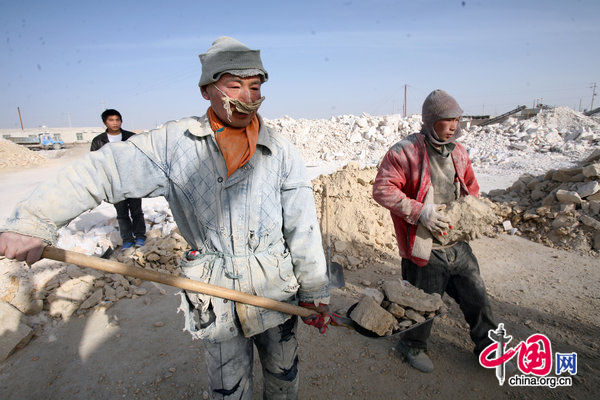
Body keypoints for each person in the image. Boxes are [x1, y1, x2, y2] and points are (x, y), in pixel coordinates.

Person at [0, 36, 333, 399]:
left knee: (284, 379)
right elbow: (102, 172)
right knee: (228, 389)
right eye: (234, 85)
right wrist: (31, 221)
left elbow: (302, 226)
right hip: (215, 291)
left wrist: (315, 291)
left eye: (255, 87)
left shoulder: (280, 151)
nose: (247, 97)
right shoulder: (174, 145)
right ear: (207, 90)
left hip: (275, 284)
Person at [372, 89, 510, 374]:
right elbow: (382, 189)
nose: (453, 126)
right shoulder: (405, 151)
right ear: (431, 120)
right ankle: (412, 346)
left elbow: (471, 187)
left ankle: (489, 347)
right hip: (424, 245)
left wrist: (471, 214)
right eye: (447, 120)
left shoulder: (458, 152)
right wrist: (420, 211)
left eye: (457, 120)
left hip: (455, 242)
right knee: (421, 304)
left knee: (477, 296)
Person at [91, 109, 146, 249]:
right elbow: (95, 163)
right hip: (113, 183)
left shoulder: (131, 137)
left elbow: (140, 158)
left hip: (131, 181)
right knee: (122, 213)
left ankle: (140, 236)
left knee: (136, 211)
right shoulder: (98, 141)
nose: (115, 123)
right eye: (111, 120)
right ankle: (127, 239)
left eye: (117, 120)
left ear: (121, 121)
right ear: (105, 122)